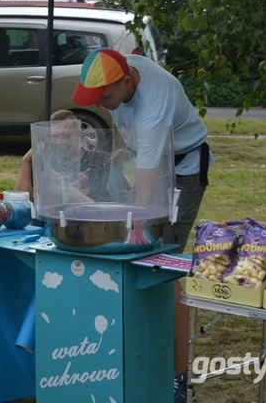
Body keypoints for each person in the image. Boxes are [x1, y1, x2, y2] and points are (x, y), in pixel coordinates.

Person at [71, 47, 212, 403]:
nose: (101, 102)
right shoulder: (121, 81)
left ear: (128, 80)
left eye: (106, 95)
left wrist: (137, 224)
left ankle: (179, 375)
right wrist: (121, 149)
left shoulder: (154, 100)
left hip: (184, 170)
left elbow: (148, 182)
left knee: (165, 264)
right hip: (155, 162)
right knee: (140, 261)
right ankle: (139, 347)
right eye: (95, 97)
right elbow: (126, 126)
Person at [14, 110, 94, 206]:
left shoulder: (98, 160)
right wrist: (26, 161)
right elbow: (21, 204)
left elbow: (101, 205)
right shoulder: (44, 163)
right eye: (55, 136)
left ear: (79, 135)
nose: (60, 142)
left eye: (66, 136)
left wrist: (63, 188)